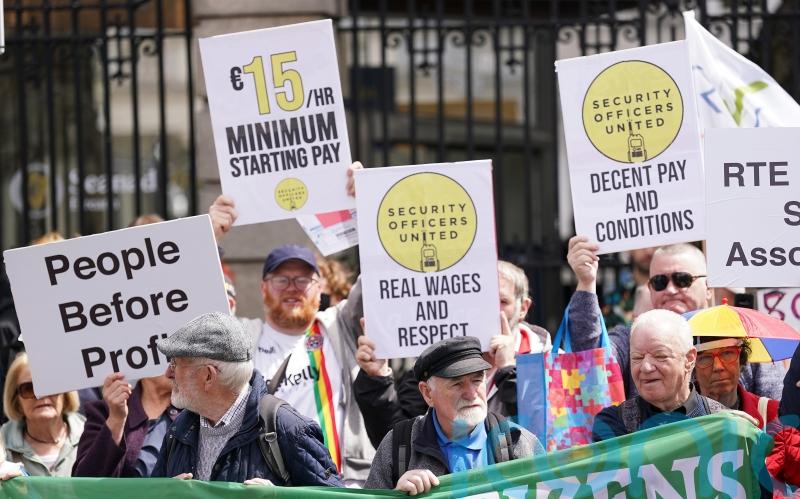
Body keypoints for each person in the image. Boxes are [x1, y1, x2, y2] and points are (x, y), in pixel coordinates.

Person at [208, 163, 374, 485]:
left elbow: (376, 280)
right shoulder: (243, 338)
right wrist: (210, 237)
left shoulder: (340, 327)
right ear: (263, 288)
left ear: (320, 288)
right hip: (267, 489)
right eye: (281, 279)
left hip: (336, 487)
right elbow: (201, 312)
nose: (293, 288)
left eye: (303, 280)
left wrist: (367, 207)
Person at [353, 260, 551, 447]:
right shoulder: (439, 358)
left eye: (502, 301)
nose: (490, 309)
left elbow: (544, 436)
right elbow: (397, 443)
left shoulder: (548, 359)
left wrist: (509, 371)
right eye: (481, 298)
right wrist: (377, 379)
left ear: (523, 308)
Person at [566, 237, 785, 400]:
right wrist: (586, 282)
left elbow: (775, 413)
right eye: (660, 282)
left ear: (709, 287)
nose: (670, 290)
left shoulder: (741, 334)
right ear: (650, 289)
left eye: (683, 280)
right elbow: (590, 359)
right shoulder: (632, 338)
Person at [151, 311, 342, 486]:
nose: (168, 373)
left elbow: (333, 496)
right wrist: (165, 494)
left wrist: (279, 497)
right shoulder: (179, 429)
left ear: (208, 376)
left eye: (175, 364)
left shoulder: (288, 429)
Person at [364, 336, 544, 495]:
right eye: (457, 384)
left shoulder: (518, 441)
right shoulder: (398, 445)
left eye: (477, 380)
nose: (472, 394)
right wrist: (397, 496)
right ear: (427, 393)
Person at [592, 310, 730, 441]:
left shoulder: (723, 424)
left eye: (660, 356)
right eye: (637, 358)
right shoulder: (613, 424)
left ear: (689, 359)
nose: (646, 367)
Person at [72, 372, 178, 477]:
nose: (173, 367)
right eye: (169, 361)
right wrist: (116, 419)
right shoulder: (105, 411)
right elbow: (85, 479)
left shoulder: (188, 411)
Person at [0, 353, 84, 476]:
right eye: (29, 388)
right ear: (16, 401)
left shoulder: (94, 435)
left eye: (50, 385)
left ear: (66, 394)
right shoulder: (2, 442)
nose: (41, 395)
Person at [693, 337, 778, 429]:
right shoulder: (681, 421)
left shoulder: (773, 414)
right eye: (705, 358)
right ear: (692, 368)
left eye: (727, 353)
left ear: (740, 359)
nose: (718, 367)